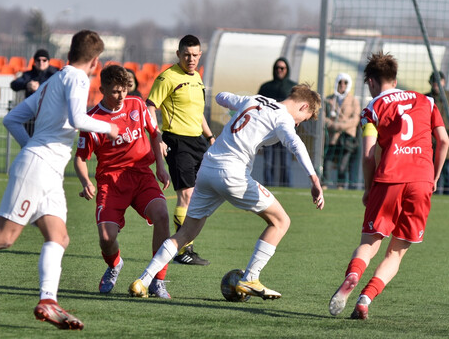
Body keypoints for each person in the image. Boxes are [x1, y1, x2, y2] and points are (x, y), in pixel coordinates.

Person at [0, 30, 119, 330]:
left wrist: (32, 147)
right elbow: (79, 119)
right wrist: (108, 127)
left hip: (47, 171)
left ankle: (48, 300)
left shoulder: (52, 81)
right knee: (4, 237)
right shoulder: (77, 78)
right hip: (39, 167)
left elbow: (11, 119)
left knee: (59, 237)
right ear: (95, 61)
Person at [129, 84, 325, 299]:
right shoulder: (283, 117)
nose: (298, 124)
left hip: (208, 169)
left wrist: (236, 106)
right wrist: (314, 179)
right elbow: (296, 144)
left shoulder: (254, 99)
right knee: (281, 221)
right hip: (233, 175)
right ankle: (251, 277)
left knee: (186, 233)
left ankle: (143, 280)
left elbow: (222, 97)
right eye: (303, 119)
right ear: (304, 106)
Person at [328, 52, 449, 320]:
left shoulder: (372, 109)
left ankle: (352, 276)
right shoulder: (426, 101)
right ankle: (365, 299)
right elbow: (443, 141)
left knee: (370, 244)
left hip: (389, 179)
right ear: (394, 79)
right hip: (421, 181)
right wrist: (434, 177)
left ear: (371, 81)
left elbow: (369, 154)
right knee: (396, 253)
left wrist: (369, 188)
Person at [74, 65, 171, 298]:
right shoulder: (92, 119)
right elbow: (80, 158)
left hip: (141, 174)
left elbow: (155, 134)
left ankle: (158, 280)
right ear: (102, 89)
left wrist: (160, 166)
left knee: (162, 215)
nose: (121, 97)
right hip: (111, 181)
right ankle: (114, 265)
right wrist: (86, 181)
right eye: (115, 91)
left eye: (125, 90)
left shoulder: (137, 104)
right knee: (107, 239)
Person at [146, 34, 214, 266]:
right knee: (186, 195)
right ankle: (184, 250)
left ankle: (186, 247)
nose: (191, 59)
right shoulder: (167, 77)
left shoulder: (197, 78)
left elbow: (197, 113)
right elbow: (149, 108)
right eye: (186, 55)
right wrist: (158, 138)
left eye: (195, 55)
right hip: (177, 141)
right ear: (178, 54)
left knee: (197, 197)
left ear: (200, 55)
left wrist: (210, 136)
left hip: (198, 143)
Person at [258, 57, 297, 187]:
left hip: (285, 130)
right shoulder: (265, 87)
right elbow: (259, 108)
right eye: (277, 68)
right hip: (268, 130)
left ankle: (287, 187)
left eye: (282, 68)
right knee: (268, 162)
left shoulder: (293, 87)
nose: (279, 71)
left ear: (287, 70)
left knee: (286, 162)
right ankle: (268, 186)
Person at [424, 71, 449, 195]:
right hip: (430, 144)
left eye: (439, 82)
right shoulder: (425, 98)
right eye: (434, 82)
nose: (436, 84)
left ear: (444, 82)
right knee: (431, 176)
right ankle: (432, 197)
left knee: (448, 175)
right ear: (430, 83)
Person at [323, 73, 360, 189]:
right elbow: (323, 118)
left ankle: (341, 186)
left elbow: (355, 119)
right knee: (328, 161)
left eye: (345, 82)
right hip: (333, 137)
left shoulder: (354, 100)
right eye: (340, 82)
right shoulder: (329, 99)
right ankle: (324, 184)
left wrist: (339, 125)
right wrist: (333, 125)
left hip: (347, 137)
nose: (342, 85)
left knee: (343, 163)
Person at [10, 49, 59, 136]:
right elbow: (14, 84)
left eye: (44, 60)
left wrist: (40, 87)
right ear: (34, 61)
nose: (41, 62)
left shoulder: (55, 74)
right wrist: (27, 85)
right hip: (31, 116)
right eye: (38, 60)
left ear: (48, 61)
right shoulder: (29, 74)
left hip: (49, 115)